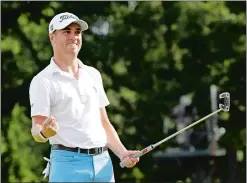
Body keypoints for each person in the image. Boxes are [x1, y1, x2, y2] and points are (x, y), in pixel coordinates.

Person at [29, 12, 139, 182]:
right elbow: (36, 129)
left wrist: (123, 153)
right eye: (66, 31)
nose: (73, 36)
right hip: (68, 164)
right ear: (52, 37)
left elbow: (103, 122)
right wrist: (44, 132)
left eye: (77, 32)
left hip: (103, 163)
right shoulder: (42, 80)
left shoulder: (93, 74)